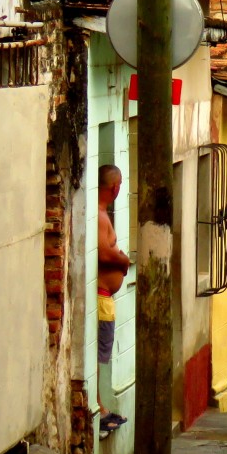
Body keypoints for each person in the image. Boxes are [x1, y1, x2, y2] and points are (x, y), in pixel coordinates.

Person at [97, 165, 130, 437]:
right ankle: (99, 409)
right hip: (100, 295)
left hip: (105, 296)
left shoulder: (103, 214)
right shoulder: (99, 216)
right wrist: (124, 260)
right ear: (115, 186)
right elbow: (103, 254)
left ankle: (102, 408)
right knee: (98, 356)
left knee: (101, 355)